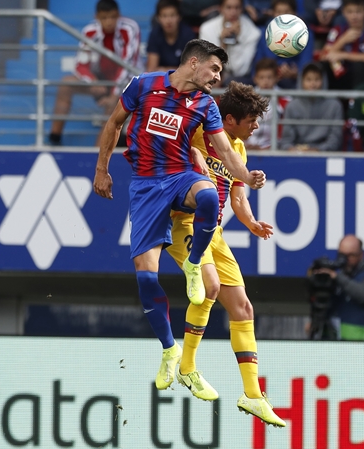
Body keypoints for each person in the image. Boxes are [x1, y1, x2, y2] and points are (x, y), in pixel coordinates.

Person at [92, 39, 265, 399]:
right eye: (214, 69)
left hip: (178, 178)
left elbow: (225, 151)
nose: (217, 77)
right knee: (146, 277)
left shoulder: (205, 105)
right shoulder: (143, 85)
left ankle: (194, 262)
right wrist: (102, 169)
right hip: (145, 186)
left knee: (207, 195)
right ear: (194, 63)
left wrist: (246, 177)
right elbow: (114, 123)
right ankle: (170, 350)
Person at [165, 81, 286, 425]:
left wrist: (251, 223)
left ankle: (252, 395)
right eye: (252, 120)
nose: (257, 126)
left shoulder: (238, 150)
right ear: (229, 119)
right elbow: (170, 148)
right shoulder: (197, 132)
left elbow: (237, 195)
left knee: (243, 308)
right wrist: (194, 154)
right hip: (184, 223)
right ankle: (186, 366)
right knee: (209, 286)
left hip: (213, 232)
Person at [48, 0, 140, 146]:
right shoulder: (89, 31)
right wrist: (93, 81)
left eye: (113, 17)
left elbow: (127, 65)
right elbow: (80, 64)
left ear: (119, 15)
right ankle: (54, 140)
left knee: (114, 106)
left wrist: (114, 94)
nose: (109, 22)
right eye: (104, 18)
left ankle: (97, 153)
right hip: (100, 81)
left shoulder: (129, 29)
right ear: (96, 17)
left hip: (126, 84)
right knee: (66, 84)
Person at [307, 235, 364, 340]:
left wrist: (337, 277)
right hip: (338, 340)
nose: (345, 260)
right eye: (342, 255)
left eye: (350, 255)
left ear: (361, 255)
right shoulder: (342, 274)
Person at [320, 0, 364, 90]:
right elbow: (323, 56)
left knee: (359, 66)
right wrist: (342, 41)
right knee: (325, 65)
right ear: (343, 12)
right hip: (341, 74)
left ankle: (358, 97)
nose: (354, 16)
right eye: (350, 12)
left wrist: (343, 55)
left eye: (358, 12)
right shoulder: (336, 30)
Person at [279, 63, 344, 151]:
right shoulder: (291, 106)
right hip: (296, 154)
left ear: (324, 81)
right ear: (301, 81)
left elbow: (335, 140)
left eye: (317, 79)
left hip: (325, 154)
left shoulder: (335, 106)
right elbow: (286, 140)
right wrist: (292, 149)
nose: (313, 84)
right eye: (308, 79)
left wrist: (318, 150)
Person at [252, 0, 315, 89]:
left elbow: (306, 64)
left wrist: (296, 72)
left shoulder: (305, 35)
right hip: (268, 80)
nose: (282, 16)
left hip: (294, 80)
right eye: (278, 12)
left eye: (287, 12)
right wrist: (274, 71)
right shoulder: (264, 33)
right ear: (273, 14)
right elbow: (258, 63)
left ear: (295, 13)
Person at [199, 0, 262, 84]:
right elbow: (208, 66)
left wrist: (237, 40)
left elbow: (240, 71)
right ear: (220, 8)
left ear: (242, 9)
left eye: (237, 8)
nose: (233, 12)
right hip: (212, 77)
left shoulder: (253, 32)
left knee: (231, 81)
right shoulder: (207, 29)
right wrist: (222, 44)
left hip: (239, 80)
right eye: (229, 8)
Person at [246, 58, 290, 150]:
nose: (265, 81)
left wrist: (272, 147)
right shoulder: (245, 98)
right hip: (247, 147)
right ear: (255, 79)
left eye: (269, 77)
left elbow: (286, 132)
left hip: (273, 148)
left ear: (277, 78)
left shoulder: (286, 100)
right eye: (261, 77)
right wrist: (244, 144)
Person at [146, 0, 198, 72]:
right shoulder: (155, 34)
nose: (169, 21)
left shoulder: (188, 34)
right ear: (158, 18)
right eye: (164, 16)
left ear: (179, 17)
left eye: (172, 15)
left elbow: (191, 69)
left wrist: (165, 70)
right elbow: (151, 69)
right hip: (162, 78)